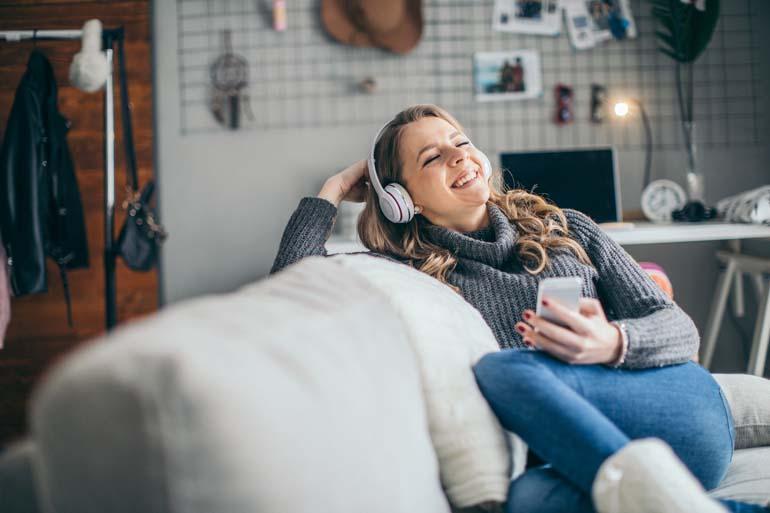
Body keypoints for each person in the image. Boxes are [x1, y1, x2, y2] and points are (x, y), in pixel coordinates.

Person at [269, 105, 770, 513]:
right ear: (403, 201)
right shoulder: (405, 273)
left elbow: (678, 329)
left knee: (503, 371)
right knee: (528, 502)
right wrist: (331, 191)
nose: (458, 157)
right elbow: (289, 300)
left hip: (670, 407)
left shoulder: (569, 228)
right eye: (432, 157)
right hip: (566, 452)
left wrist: (611, 341)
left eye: (461, 143)